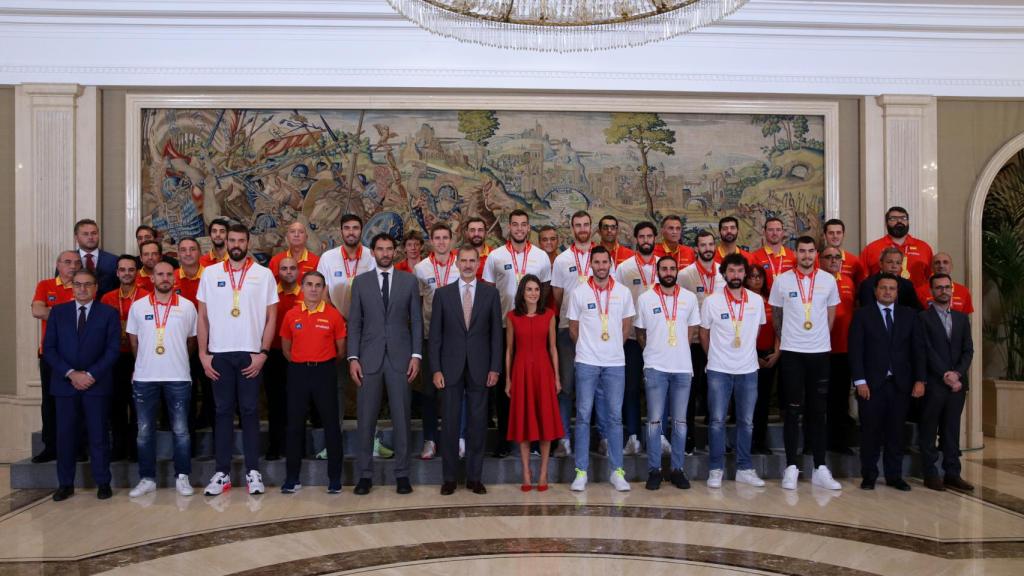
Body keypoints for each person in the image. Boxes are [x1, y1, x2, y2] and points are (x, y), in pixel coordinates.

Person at [197, 224, 279, 496]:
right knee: (221, 413)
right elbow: (203, 317)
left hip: (250, 354)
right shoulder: (209, 273)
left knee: (250, 412)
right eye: (231, 239)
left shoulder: (263, 274)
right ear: (225, 242)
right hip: (219, 354)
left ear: (247, 242)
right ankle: (221, 473)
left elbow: (271, 318)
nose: (235, 244)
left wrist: (263, 353)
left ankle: (252, 471)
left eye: (240, 240)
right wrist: (203, 354)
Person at [347, 233, 423, 495]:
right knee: (366, 419)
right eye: (380, 249)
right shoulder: (360, 283)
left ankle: (402, 475)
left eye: (390, 249)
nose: (385, 253)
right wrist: (353, 358)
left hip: (401, 358)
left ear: (395, 251)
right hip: (368, 358)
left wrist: (416, 355)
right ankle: (365, 475)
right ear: (373, 252)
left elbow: (416, 321)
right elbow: (354, 323)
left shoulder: (409, 281)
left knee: (402, 418)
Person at [769, 236, 842, 491]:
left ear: (816, 254)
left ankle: (820, 467)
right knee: (792, 410)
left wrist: (818, 337)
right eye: (802, 251)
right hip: (792, 353)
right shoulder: (782, 280)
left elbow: (831, 315)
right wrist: (789, 338)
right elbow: (777, 316)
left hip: (820, 353)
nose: (807, 256)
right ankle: (791, 466)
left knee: (818, 411)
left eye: (811, 251)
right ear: (796, 253)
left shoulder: (828, 281)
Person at [43, 269, 121, 501]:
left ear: (96, 287)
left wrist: (90, 374)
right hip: (65, 385)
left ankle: (103, 483)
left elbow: (112, 350)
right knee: (65, 437)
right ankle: (65, 484)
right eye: (78, 284)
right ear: (72, 287)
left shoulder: (108, 313)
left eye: (88, 284)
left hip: (95, 385)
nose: (83, 289)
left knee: (98, 436)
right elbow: (49, 349)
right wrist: (71, 374)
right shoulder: (58, 312)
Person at [430, 245, 503, 494]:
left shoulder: (490, 294)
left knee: (478, 423)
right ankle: (449, 478)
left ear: (478, 264)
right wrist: (436, 369)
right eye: (464, 260)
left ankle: (474, 477)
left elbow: (496, 336)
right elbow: (435, 337)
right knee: (449, 423)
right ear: (457, 263)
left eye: (473, 260)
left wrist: (495, 367)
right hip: (450, 368)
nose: (469, 265)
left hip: (481, 368)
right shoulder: (442, 294)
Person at [125, 261, 198, 498]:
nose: (165, 278)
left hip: (178, 377)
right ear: (152, 279)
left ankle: (183, 476)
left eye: (169, 274)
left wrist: (175, 360)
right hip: (145, 378)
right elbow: (134, 342)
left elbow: (191, 342)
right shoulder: (138, 307)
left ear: (174, 279)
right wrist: (147, 362)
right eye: (160, 274)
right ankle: (147, 478)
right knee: (144, 431)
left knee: (181, 430)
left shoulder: (187, 307)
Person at [483, 209, 551, 457]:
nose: (519, 229)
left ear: (529, 228)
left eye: (524, 225)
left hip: (532, 329)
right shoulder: (496, 256)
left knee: (533, 386)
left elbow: (544, 293)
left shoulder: (541, 256)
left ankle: (534, 441)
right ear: (509, 227)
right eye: (515, 225)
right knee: (504, 387)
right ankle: (504, 441)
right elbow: (489, 293)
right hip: (503, 327)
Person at [567, 246, 635, 492]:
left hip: (615, 363)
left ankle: (617, 472)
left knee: (615, 418)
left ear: (610, 264)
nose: (601, 266)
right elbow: (573, 328)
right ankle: (581, 471)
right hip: (586, 362)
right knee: (584, 416)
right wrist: (588, 348)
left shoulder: (623, 292)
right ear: (591, 265)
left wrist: (612, 347)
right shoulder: (580, 292)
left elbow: (626, 326)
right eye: (596, 262)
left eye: (605, 262)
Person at [848, 273, 921, 491]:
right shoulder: (863, 315)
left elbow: (917, 350)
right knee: (870, 432)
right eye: (883, 288)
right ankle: (869, 475)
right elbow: (856, 351)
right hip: (870, 385)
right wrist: (860, 381)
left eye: (892, 288)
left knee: (896, 432)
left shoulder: (909, 315)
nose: (887, 291)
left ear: (897, 292)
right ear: (875, 291)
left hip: (900, 384)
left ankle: (894, 476)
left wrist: (919, 380)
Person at [700, 254, 767, 489]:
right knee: (717, 420)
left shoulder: (756, 301)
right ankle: (715, 468)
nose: (736, 276)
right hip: (719, 369)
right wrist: (715, 356)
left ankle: (744, 468)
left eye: (740, 271)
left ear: (745, 274)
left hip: (748, 369)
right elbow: (704, 334)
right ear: (724, 273)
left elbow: (757, 331)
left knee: (746, 422)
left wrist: (744, 352)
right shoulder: (712, 301)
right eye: (732, 271)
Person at [635, 255, 700, 490]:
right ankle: (654, 470)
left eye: (673, 268)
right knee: (654, 421)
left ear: (677, 271)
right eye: (664, 268)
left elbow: (691, 332)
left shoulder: (689, 298)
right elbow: (640, 332)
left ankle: (677, 469)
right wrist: (653, 352)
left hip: (682, 367)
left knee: (681, 422)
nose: (669, 272)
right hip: (655, 367)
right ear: (658, 271)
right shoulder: (645, 298)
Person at [279, 271, 347, 495]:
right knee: (294, 426)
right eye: (309, 284)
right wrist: (302, 362)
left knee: (331, 426)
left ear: (323, 289)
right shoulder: (291, 315)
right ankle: (292, 478)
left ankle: (335, 479)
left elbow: (340, 350)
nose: (313, 289)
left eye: (318, 285)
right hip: (298, 372)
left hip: (325, 372)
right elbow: (287, 348)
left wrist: (320, 362)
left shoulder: (333, 315)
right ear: (302, 287)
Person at [915, 273, 975, 492]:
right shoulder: (923, 318)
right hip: (934, 383)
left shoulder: (961, 318)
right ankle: (931, 473)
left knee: (952, 430)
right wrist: (945, 375)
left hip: (957, 385)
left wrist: (957, 374)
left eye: (947, 287)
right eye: (938, 287)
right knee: (929, 429)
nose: (943, 291)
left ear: (952, 290)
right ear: (932, 291)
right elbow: (925, 351)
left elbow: (968, 350)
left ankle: (952, 473)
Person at [505, 274, 562, 491]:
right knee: (524, 422)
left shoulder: (549, 315)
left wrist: (556, 377)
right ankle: (526, 472)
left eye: (536, 289)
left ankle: (544, 472)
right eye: (529, 289)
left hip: (543, 372)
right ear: (522, 292)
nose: (533, 293)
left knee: (545, 421)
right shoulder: (512, 317)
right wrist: (508, 379)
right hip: (521, 373)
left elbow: (553, 348)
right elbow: (510, 350)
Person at [551, 211, 596, 457]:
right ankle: (564, 438)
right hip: (567, 328)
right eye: (577, 225)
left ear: (591, 227)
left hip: (596, 330)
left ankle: (597, 439)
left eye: (586, 224)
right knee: (566, 386)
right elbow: (557, 295)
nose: (582, 228)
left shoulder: (601, 258)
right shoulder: (562, 259)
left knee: (594, 384)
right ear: (572, 228)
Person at [413, 223, 459, 460]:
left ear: (451, 240)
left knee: (453, 390)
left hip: (456, 339)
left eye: (445, 238)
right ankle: (430, 439)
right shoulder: (421, 269)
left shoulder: (461, 266)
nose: (441, 242)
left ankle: (454, 439)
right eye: (437, 238)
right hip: (431, 337)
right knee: (429, 392)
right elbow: (418, 306)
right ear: (430, 241)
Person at [616, 221, 662, 456]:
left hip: (660, 339)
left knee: (657, 388)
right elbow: (617, 302)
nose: (646, 240)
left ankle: (659, 436)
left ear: (655, 238)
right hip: (633, 338)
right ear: (635, 239)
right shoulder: (624, 268)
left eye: (649, 236)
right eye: (641, 236)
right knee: (631, 388)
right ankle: (633, 436)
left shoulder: (664, 267)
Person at [30, 251, 81, 463]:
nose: (73, 266)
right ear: (58, 264)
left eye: (77, 263)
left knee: (78, 402)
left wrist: (53, 312)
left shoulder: (83, 286)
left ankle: (78, 448)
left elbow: (84, 313)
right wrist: (66, 313)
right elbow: (37, 309)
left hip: (77, 356)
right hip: (50, 355)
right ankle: (50, 447)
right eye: (68, 262)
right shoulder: (46, 285)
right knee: (49, 402)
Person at [678, 229, 725, 455]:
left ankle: (716, 439)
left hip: (719, 343)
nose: (707, 249)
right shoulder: (685, 275)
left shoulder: (723, 273)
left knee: (716, 394)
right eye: (703, 245)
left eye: (710, 244)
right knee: (691, 392)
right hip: (695, 343)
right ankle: (688, 439)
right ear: (696, 248)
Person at [99, 254, 148, 462]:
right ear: (117, 273)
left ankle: (136, 449)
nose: (127, 273)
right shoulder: (107, 298)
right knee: (116, 404)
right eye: (123, 270)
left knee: (138, 404)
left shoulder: (146, 296)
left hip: (141, 358)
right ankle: (118, 447)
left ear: (136, 272)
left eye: (131, 269)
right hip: (115, 357)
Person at [264, 257, 301, 461]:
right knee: (275, 402)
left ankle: (296, 446)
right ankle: (274, 445)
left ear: (298, 271)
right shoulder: (270, 294)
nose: (288, 272)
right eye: (284, 268)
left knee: (296, 403)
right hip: (274, 354)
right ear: (278, 272)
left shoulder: (305, 293)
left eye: (292, 268)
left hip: (299, 355)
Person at [822, 246, 857, 454]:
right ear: (820, 260)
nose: (834, 260)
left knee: (840, 398)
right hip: (819, 348)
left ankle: (839, 443)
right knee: (820, 398)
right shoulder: (815, 281)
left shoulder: (848, 282)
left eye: (837, 257)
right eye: (829, 257)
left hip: (843, 348)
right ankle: (818, 442)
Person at [745, 265, 779, 455]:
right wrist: (754, 356)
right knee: (749, 401)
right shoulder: (744, 300)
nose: (756, 280)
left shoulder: (771, 301)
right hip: (750, 356)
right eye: (752, 276)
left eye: (759, 277)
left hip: (770, 355)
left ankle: (760, 440)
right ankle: (746, 442)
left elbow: (779, 327)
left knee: (764, 401)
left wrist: (777, 352)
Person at [860, 206, 934, 289]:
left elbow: (932, 279)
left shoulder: (924, 248)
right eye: (893, 218)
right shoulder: (871, 248)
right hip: (883, 299)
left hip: (917, 300)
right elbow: (862, 280)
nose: (899, 221)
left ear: (908, 222)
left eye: (903, 218)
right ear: (886, 223)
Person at [317, 214, 376, 318]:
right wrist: (337, 319)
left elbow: (378, 294)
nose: (351, 232)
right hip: (336, 321)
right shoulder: (327, 257)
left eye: (355, 228)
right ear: (341, 231)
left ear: (361, 231)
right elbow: (322, 293)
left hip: (367, 321)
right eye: (347, 228)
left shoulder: (373, 257)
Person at [73, 218, 117, 295]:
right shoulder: (66, 261)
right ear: (76, 237)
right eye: (85, 234)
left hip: (106, 305)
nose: (90, 237)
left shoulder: (114, 260)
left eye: (94, 233)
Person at [750, 217, 795, 290]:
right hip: (765, 300)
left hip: (787, 300)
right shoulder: (754, 256)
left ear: (783, 232)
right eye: (771, 230)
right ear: (764, 232)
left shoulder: (793, 256)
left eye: (778, 230)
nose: (775, 233)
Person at [823, 218, 865, 286]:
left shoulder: (854, 261)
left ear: (844, 234)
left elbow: (860, 287)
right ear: (824, 236)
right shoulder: (816, 259)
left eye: (838, 233)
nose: (835, 236)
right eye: (831, 233)